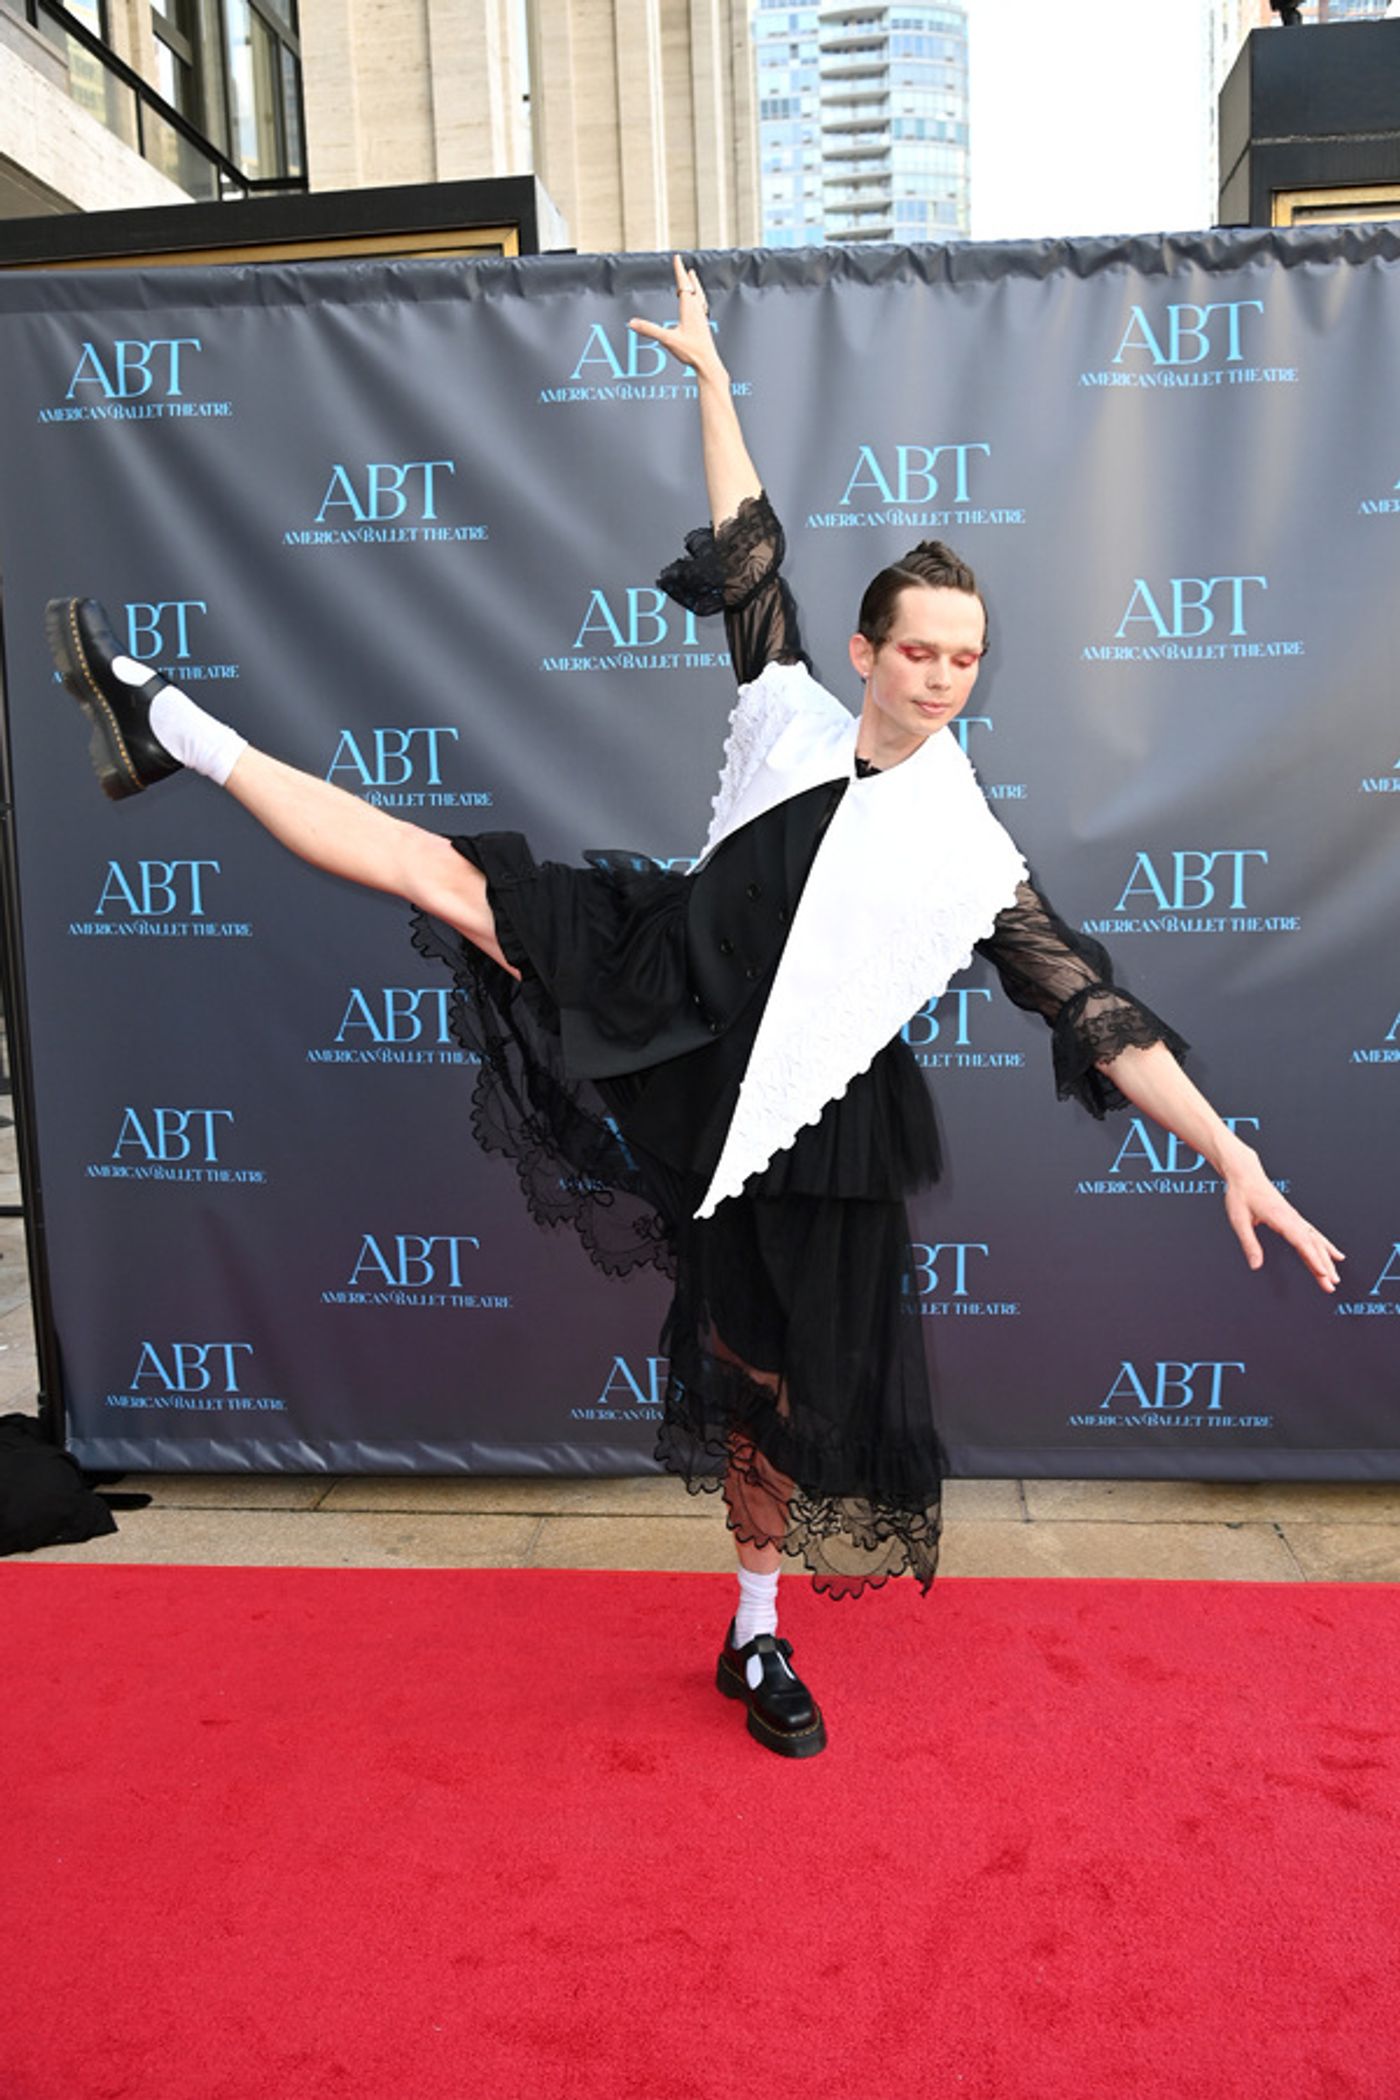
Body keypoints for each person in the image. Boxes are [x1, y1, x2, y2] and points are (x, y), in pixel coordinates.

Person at [45, 255, 1343, 1763]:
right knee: (435, 868)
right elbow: (748, 550)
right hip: (660, 978)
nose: (941, 676)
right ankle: (170, 724)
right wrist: (714, 381)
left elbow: (1097, 1015)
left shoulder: (971, 851)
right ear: (868, 651)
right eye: (917, 648)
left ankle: (753, 1629)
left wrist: (1229, 1153)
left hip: (797, 1111)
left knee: (769, 1391)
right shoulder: (788, 703)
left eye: (967, 660)